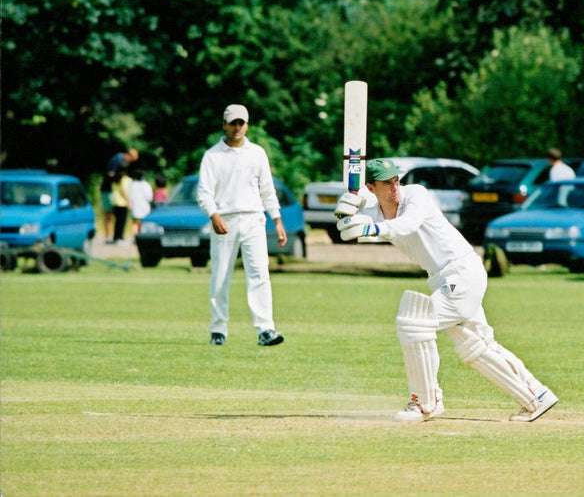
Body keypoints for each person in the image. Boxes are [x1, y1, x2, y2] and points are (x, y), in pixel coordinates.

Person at [334, 159, 558, 422]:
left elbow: (406, 225)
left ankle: (426, 402)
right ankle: (537, 396)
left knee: (415, 323)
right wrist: (344, 213)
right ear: (372, 188)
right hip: (442, 278)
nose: (394, 186)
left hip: (461, 272)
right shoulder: (377, 212)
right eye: (386, 183)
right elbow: (352, 230)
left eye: (396, 180)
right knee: (476, 345)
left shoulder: (416, 195)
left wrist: (368, 226)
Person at [196, 104, 287, 347]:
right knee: (220, 276)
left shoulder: (257, 153)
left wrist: (277, 220)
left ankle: (265, 329)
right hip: (224, 221)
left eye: (241, 123)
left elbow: (267, 189)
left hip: (254, 220)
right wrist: (214, 215)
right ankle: (218, 330)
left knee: (259, 274)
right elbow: (204, 193)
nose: (237, 128)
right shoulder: (212, 156)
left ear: (247, 125)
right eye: (233, 123)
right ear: (224, 124)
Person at [101, 148, 138, 243]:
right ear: (128, 155)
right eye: (132, 160)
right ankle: (108, 237)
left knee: (114, 215)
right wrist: (120, 178)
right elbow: (111, 174)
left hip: (113, 190)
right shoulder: (118, 160)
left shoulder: (119, 159)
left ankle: (112, 237)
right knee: (109, 214)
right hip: (108, 190)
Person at [109, 167, 132, 243]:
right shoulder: (125, 179)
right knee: (122, 222)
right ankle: (120, 237)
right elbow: (124, 191)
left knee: (117, 222)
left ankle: (116, 237)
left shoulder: (115, 179)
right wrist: (129, 202)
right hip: (122, 203)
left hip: (115, 202)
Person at [128, 169, 153, 235]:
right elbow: (149, 197)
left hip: (135, 206)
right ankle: (141, 234)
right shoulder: (146, 185)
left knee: (134, 222)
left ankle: (135, 235)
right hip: (144, 207)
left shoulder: (133, 184)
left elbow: (130, 196)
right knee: (143, 222)